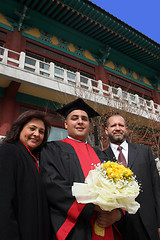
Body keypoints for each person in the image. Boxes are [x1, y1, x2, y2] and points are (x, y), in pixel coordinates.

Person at [40, 98, 124, 240]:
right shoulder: (52, 149)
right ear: (66, 124)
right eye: (74, 118)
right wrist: (91, 207)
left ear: (89, 125)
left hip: (106, 224)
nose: (80, 121)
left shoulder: (102, 155)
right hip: (74, 226)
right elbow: (52, 184)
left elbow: (121, 186)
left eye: (84, 119)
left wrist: (118, 213)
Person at [98, 114, 160, 240]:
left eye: (120, 125)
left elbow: (156, 188)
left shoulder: (145, 152)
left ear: (126, 129)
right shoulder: (100, 157)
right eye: (113, 125)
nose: (117, 128)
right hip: (119, 224)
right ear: (106, 130)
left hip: (148, 222)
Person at [0, 110, 51, 240]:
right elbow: (3, 202)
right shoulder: (9, 152)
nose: (36, 134)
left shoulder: (33, 159)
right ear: (20, 129)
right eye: (32, 129)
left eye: (41, 132)